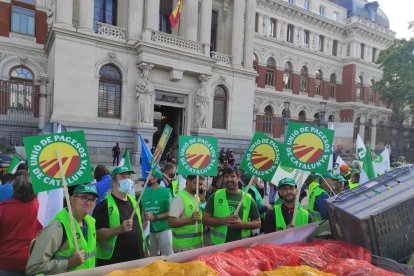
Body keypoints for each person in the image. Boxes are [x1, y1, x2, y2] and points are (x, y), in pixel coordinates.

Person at [26, 184, 98, 274]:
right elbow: (33, 268)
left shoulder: (91, 222)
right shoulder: (56, 227)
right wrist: (68, 263)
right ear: (71, 199)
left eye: (92, 199)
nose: (88, 203)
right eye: (84, 198)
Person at [93, 166, 146, 266]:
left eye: (128, 177)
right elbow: (97, 235)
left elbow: (139, 230)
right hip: (115, 263)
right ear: (114, 182)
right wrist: (119, 229)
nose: (127, 180)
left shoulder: (134, 202)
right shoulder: (104, 205)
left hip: (137, 260)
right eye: (122, 176)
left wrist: (145, 251)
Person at [202, 167, 261, 245]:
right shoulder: (215, 196)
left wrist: (241, 224)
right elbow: (205, 220)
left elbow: (257, 223)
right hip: (218, 247)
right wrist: (224, 220)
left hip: (241, 247)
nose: (229, 179)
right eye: (226, 177)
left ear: (238, 177)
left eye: (232, 176)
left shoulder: (248, 198)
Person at [0, 176, 42, 275]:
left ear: (14, 190)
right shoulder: (41, 208)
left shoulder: (2, 209)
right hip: (33, 261)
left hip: (6, 262)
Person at [168, 175, 205, 252]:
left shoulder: (197, 197)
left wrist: (202, 200)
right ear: (188, 181)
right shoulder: (180, 198)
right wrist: (189, 220)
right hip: (183, 247)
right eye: (196, 183)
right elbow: (171, 222)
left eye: (201, 184)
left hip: (196, 245)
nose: (199, 186)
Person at [141, 169, 173, 256]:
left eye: (149, 176)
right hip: (149, 231)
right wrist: (144, 221)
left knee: (168, 256)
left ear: (155, 179)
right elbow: (143, 209)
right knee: (151, 257)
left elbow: (171, 212)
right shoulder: (144, 192)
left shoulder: (166, 192)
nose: (147, 178)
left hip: (164, 229)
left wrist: (155, 217)